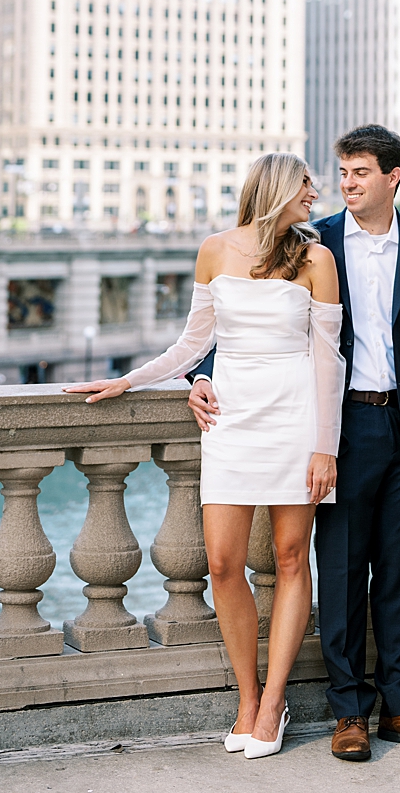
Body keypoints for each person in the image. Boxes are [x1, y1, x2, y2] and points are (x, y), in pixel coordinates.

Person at [188, 124, 400, 762]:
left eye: (360, 172)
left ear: (393, 177)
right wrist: (200, 374)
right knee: (339, 569)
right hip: (338, 425)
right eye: (341, 173)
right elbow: (244, 321)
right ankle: (348, 713)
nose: (346, 184)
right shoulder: (315, 242)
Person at [66, 153, 344, 761]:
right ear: (275, 188)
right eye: (305, 184)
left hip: (296, 417)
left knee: (291, 558)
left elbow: (329, 358)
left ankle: (272, 704)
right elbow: (193, 343)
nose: (315, 193)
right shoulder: (214, 250)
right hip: (231, 419)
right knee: (222, 563)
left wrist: (326, 446)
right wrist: (129, 380)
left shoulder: (316, 258)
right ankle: (247, 697)